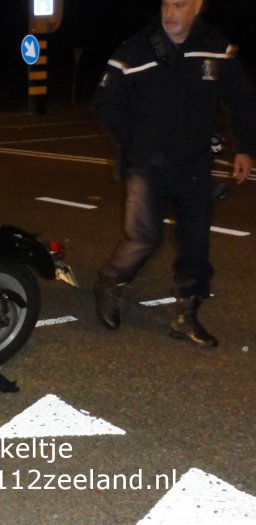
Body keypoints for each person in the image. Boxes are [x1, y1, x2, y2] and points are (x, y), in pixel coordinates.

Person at [92, 0, 256, 347]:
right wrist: (134, 141)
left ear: (197, 6)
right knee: (144, 237)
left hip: (195, 165)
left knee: (195, 242)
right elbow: (105, 104)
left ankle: (186, 316)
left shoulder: (216, 48)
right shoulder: (134, 49)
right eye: (167, 3)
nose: (170, 12)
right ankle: (110, 282)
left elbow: (242, 99)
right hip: (146, 165)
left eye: (180, 5)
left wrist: (245, 148)